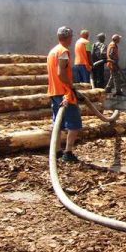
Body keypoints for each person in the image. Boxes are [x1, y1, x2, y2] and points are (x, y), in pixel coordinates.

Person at [47, 26, 82, 162]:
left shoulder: (52, 51)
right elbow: (60, 73)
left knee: (57, 124)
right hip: (65, 93)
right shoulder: (64, 52)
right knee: (74, 124)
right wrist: (71, 87)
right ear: (68, 38)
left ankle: (56, 151)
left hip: (54, 92)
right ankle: (68, 152)